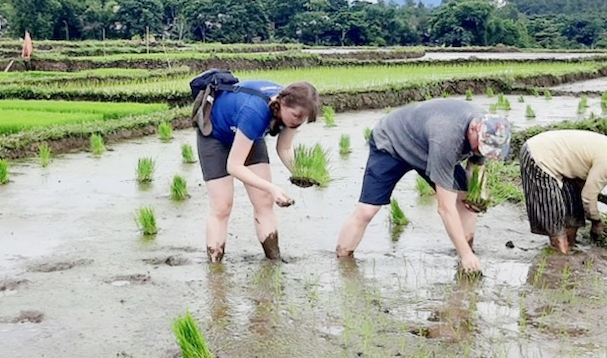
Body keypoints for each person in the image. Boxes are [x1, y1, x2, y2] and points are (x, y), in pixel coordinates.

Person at [335, 99, 511, 273]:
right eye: (480, 147)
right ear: (474, 129)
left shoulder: (486, 129)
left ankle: (468, 258)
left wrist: (478, 193)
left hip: (427, 147)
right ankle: (342, 263)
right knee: (367, 210)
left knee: (467, 200)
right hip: (392, 142)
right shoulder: (447, 138)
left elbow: (475, 168)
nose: (481, 151)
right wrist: (465, 254)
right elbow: (445, 208)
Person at [197, 79, 321, 263]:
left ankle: (274, 261)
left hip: (248, 135)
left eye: (303, 119)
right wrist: (272, 188)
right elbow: (234, 166)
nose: (298, 122)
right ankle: (215, 267)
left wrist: (301, 172)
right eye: (296, 116)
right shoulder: (254, 112)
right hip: (215, 135)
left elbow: (284, 148)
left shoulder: (294, 111)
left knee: (263, 201)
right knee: (222, 206)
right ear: (283, 103)